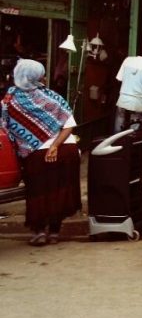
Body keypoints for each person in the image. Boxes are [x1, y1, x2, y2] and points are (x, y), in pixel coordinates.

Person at [0, 59, 81, 246]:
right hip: (65, 150)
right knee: (58, 192)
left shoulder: (10, 100)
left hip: (35, 153)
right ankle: (54, 232)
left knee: (38, 193)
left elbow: (5, 127)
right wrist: (55, 146)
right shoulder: (52, 97)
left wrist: (51, 146)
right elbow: (69, 125)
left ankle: (39, 233)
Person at [113, 42, 142, 133]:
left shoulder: (127, 60)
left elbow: (119, 79)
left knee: (119, 123)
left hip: (123, 99)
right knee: (134, 128)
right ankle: (131, 144)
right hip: (138, 102)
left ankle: (116, 143)